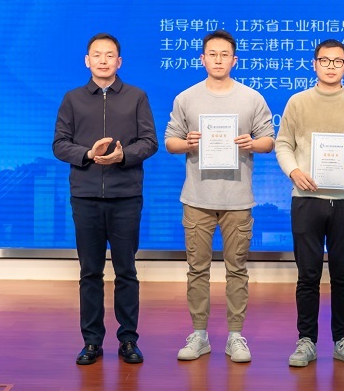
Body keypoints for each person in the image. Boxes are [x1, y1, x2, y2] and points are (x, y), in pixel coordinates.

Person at [165, 30, 275, 364]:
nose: (218, 60)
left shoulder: (251, 98)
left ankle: (235, 336)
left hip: (237, 199)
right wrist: (187, 143)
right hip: (197, 198)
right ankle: (199, 335)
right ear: (202, 59)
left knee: (237, 269)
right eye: (212, 54)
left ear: (234, 60)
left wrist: (252, 143)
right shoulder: (186, 98)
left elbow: (269, 140)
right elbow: (170, 141)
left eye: (224, 54)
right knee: (196, 270)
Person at [52, 33, 158, 366]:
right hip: (85, 197)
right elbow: (59, 144)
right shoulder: (72, 99)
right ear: (87, 61)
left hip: (126, 196)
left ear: (119, 61)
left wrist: (123, 155)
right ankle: (92, 342)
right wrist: (88, 154)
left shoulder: (137, 96)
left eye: (109, 55)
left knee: (126, 271)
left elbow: (150, 142)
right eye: (96, 55)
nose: (103, 60)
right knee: (90, 272)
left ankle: (128, 340)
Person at [275, 39, 344, 368]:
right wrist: (294, 171)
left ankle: (343, 339)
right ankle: (306, 340)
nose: (331, 66)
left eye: (338, 61)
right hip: (306, 199)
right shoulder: (298, 101)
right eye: (325, 60)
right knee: (308, 275)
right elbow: (283, 144)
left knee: (343, 275)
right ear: (314, 64)